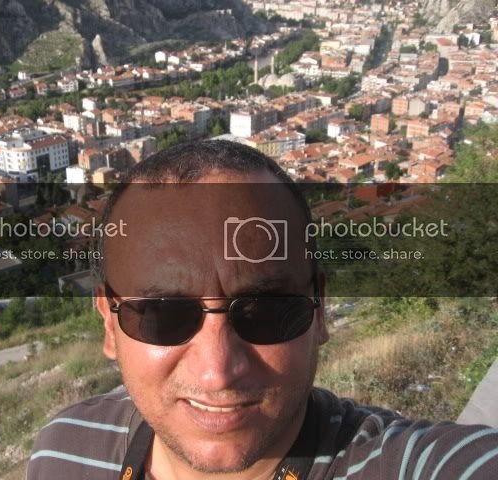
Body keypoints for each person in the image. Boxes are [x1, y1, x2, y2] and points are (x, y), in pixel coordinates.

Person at [26, 140, 497, 480]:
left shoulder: (409, 464)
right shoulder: (63, 451)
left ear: (320, 310)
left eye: (266, 311)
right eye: (162, 315)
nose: (218, 372)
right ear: (109, 323)